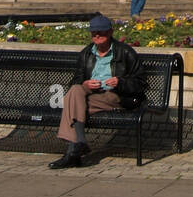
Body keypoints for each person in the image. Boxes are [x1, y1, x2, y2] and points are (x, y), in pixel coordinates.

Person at [48, 14, 149, 169]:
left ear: (109, 33)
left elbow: (141, 83)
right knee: (75, 91)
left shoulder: (125, 52)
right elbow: (75, 81)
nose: (97, 36)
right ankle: (79, 144)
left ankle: (74, 148)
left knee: (71, 104)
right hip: (90, 94)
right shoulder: (87, 53)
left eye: (101, 32)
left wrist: (120, 82)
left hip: (115, 95)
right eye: (94, 33)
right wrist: (86, 84)